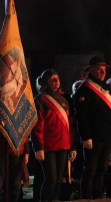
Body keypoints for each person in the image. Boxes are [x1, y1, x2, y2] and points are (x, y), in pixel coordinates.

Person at [31, 69, 77, 202]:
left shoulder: (64, 100)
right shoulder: (40, 100)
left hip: (63, 145)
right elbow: (37, 126)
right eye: (52, 79)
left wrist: (73, 146)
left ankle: (55, 199)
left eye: (57, 78)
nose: (56, 81)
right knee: (50, 179)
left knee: (58, 180)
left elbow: (70, 126)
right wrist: (38, 147)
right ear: (46, 82)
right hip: (48, 146)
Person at [73, 56, 111, 199]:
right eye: (99, 68)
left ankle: (97, 196)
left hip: (107, 136)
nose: (102, 72)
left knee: (102, 169)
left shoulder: (107, 88)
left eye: (104, 69)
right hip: (93, 137)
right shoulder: (84, 90)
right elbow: (81, 117)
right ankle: (87, 196)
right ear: (90, 70)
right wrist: (86, 137)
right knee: (90, 169)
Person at [0, 97, 30, 202]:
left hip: (14, 150)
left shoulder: (18, 98)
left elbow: (23, 126)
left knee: (14, 187)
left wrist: (26, 149)